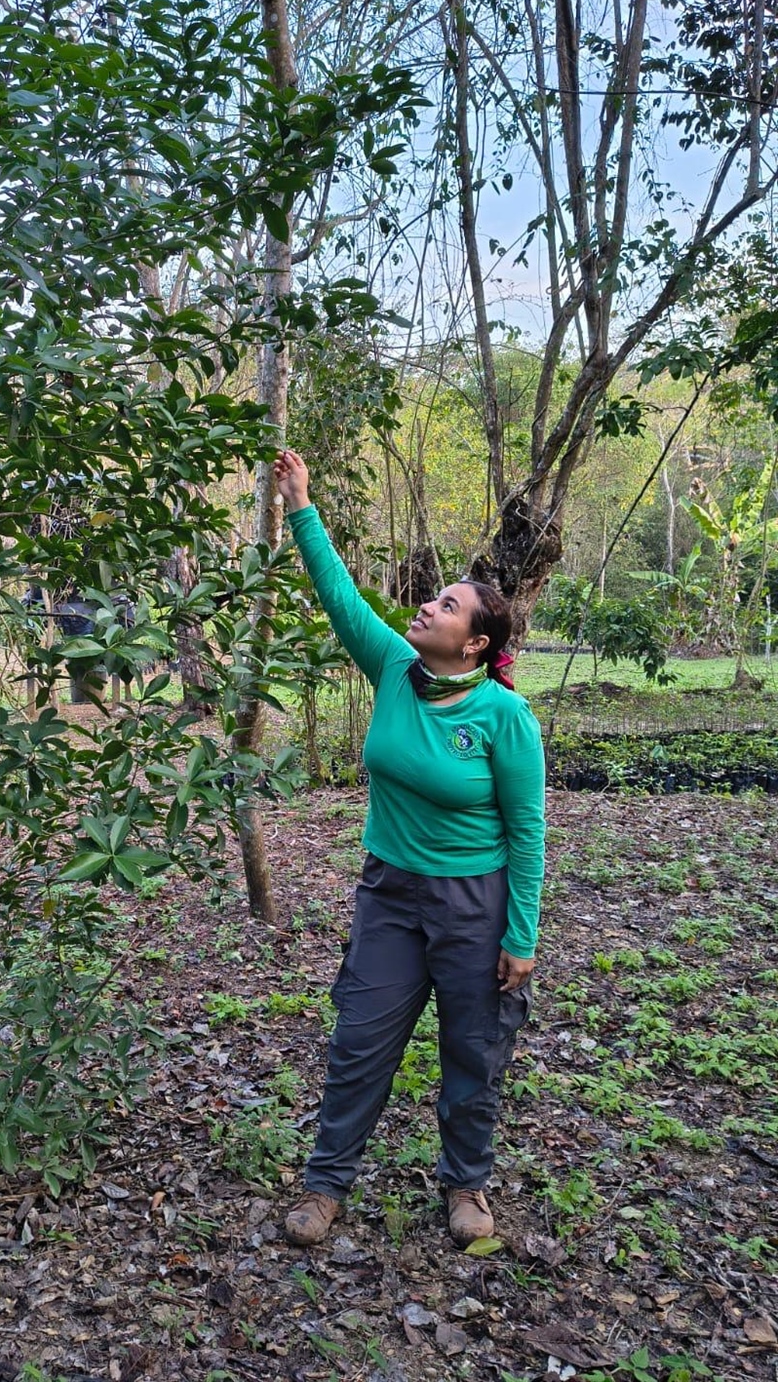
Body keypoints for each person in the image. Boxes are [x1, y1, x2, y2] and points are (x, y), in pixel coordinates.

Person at [272, 448, 546, 1250]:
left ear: (474, 644)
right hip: (390, 892)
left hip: (474, 902)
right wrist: (300, 506)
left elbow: (528, 832)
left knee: (473, 1050)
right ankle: (326, 1187)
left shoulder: (505, 717)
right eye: (435, 597)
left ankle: (467, 1187)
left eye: (449, 606)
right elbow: (340, 597)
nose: (428, 606)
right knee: (360, 1041)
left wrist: (520, 936)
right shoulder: (394, 667)